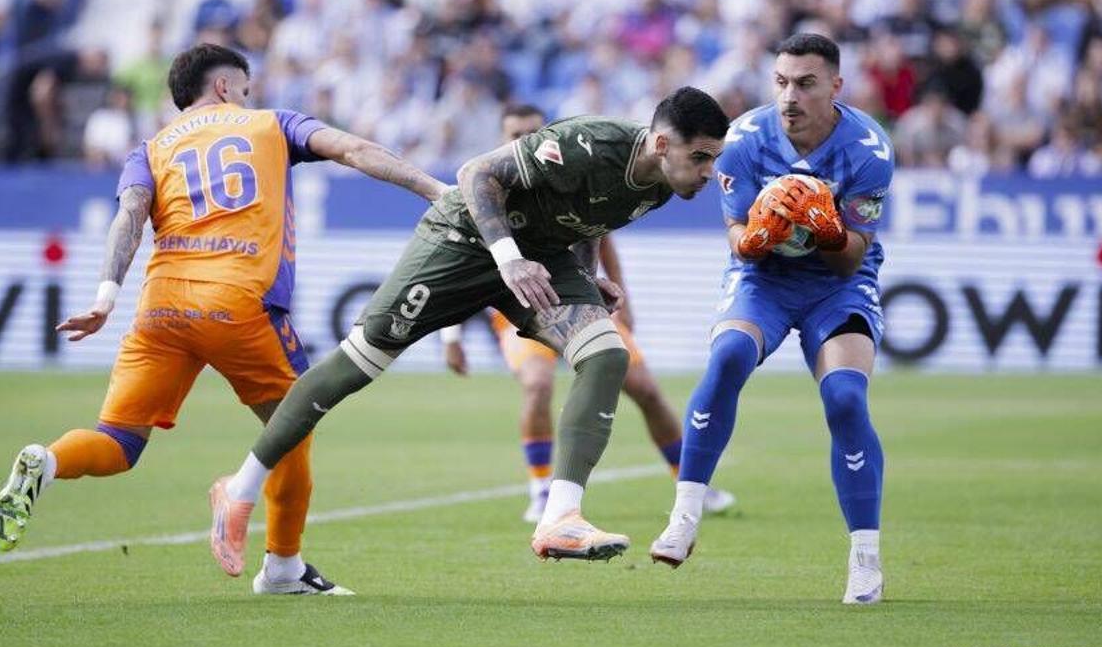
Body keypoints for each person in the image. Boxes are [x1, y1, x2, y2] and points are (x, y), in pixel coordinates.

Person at [209, 86, 730, 573]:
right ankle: (240, 486)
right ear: (662, 143)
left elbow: (588, 222)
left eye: (713, 159)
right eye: (701, 157)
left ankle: (560, 516)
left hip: (538, 257)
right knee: (356, 365)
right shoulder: (589, 143)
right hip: (461, 240)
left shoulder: (661, 184)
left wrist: (589, 275)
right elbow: (476, 173)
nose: (708, 172)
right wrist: (507, 259)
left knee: (607, 355)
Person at [0, 44, 447, 595]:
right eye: (246, 89)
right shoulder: (271, 125)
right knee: (293, 427)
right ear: (227, 87)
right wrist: (435, 190)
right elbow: (352, 149)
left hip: (160, 307)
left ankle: (48, 460)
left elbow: (130, 214)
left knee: (117, 441)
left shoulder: (151, 148)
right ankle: (282, 569)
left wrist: (106, 295)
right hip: (238, 302)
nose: (250, 98)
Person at [649, 34, 893, 606]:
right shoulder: (742, 141)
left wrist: (826, 226)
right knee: (729, 356)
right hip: (765, 281)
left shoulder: (869, 150)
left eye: (806, 84)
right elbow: (737, 239)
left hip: (837, 285)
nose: (790, 96)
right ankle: (684, 517)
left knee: (846, 400)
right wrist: (758, 236)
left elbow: (851, 256)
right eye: (781, 82)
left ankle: (865, 558)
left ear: (836, 86)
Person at [441, 103, 735, 523]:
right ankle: (542, 491)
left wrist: (622, 299)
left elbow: (601, 236)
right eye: (514, 134)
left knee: (647, 390)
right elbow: (460, 252)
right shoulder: (492, 186)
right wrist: (450, 336)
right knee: (538, 386)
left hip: (580, 290)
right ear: (502, 140)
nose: (522, 140)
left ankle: (692, 486)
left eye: (530, 131)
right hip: (518, 307)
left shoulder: (566, 174)